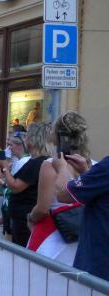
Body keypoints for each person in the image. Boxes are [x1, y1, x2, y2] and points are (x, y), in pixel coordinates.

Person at [28, 112, 91, 264]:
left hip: (52, 236)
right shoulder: (91, 165)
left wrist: (30, 217)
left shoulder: (50, 165)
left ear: (57, 136)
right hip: (81, 237)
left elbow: (42, 208)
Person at [54, 154, 108, 281]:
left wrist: (62, 168)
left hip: (98, 265)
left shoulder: (106, 167)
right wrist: (87, 174)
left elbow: (63, 195)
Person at [0, 124, 50, 246]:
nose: (25, 140)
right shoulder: (38, 161)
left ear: (33, 139)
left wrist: (4, 166)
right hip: (22, 214)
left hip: (25, 216)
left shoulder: (36, 163)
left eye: (27, 136)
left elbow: (15, 187)